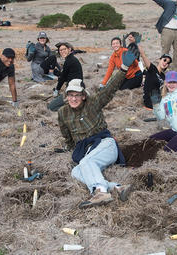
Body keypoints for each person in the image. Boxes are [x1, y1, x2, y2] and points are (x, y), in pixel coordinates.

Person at [58, 47, 139, 209]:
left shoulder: (93, 103)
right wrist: (69, 148)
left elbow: (110, 88)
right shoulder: (63, 113)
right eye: (70, 95)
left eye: (77, 95)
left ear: (83, 95)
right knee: (76, 171)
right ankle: (116, 187)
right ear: (67, 96)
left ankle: (100, 192)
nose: (74, 98)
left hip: (105, 145)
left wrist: (123, 68)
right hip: (87, 151)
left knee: (86, 161)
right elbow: (67, 136)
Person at [152, 0, 177, 70]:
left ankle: (175, 70)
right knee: (165, 50)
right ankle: (162, 69)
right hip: (167, 29)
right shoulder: (169, 4)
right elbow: (159, 1)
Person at [48, 42, 83, 112]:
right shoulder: (71, 59)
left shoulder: (69, 61)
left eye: (64, 49)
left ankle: (72, 107)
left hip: (74, 89)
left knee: (51, 107)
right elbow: (65, 75)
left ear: (69, 49)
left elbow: (62, 78)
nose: (62, 51)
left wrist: (57, 90)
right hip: (78, 87)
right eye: (60, 50)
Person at [138, 44, 171, 109]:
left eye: (167, 63)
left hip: (159, 99)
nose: (165, 63)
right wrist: (140, 49)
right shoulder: (152, 69)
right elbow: (144, 57)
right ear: (159, 60)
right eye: (164, 60)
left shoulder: (163, 76)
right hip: (150, 101)